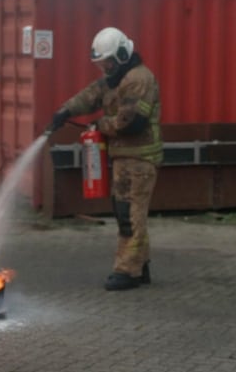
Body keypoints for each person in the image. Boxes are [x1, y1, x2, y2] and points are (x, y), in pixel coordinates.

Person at [48, 26, 163, 291]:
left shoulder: (138, 79)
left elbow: (131, 122)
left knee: (129, 216)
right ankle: (140, 266)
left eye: (109, 61)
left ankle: (127, 271)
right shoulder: (117, 77)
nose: (106, 67)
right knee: (129, 213)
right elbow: (92, 95)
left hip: (139, 159)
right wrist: (64, 111)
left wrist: (101, 125)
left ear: (123, 54)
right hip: (124, 158)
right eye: (102, 63)